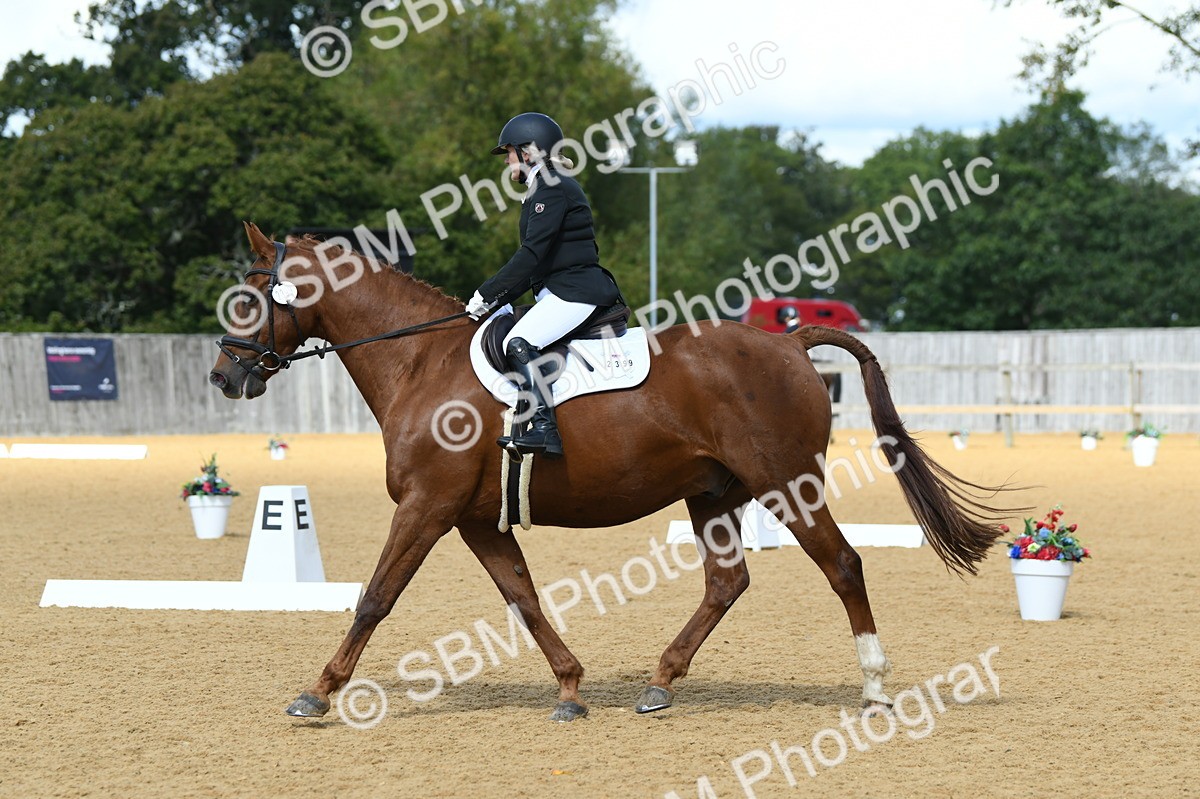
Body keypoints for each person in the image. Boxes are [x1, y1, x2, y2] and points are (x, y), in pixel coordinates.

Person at [465, 112, 623, 459]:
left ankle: (544, 428)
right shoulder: (548, 184)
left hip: (576, 292)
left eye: (509, 153)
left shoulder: (551, 186)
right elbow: (538, 262)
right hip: (562, 290)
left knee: (518, 341)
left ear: (530, 151)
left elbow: (531, 255)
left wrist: (487, 293)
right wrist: (500, 300)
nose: (507, 162)